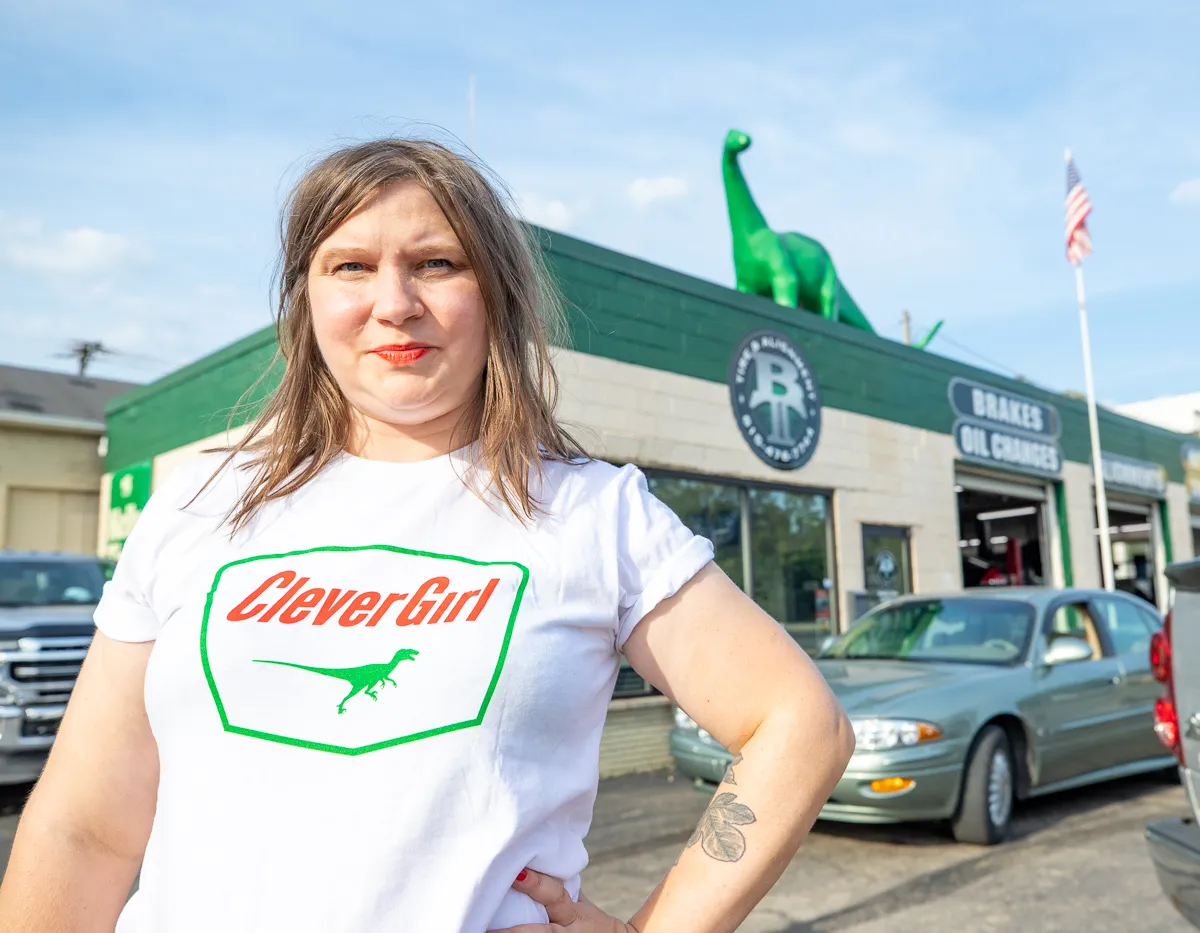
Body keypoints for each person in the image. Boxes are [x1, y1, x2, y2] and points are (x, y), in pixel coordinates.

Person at [0, 138, 854, 933]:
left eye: (435, 263)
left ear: (497, 293)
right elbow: (83, 829)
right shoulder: (200, 506)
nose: (393, 303)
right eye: (352, 267)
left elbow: (798, 723)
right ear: (308, 300)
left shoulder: (593, 514)